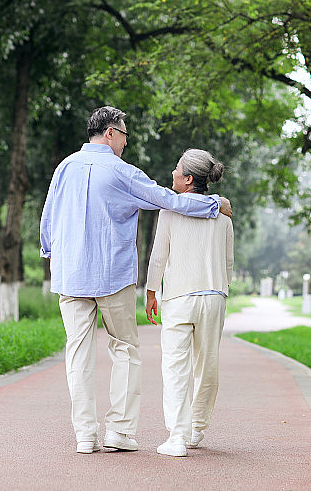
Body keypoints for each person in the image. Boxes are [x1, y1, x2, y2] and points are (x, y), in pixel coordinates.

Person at [39, 106, 232, 455]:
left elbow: (48, 218)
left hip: (69, 276)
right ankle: (119, 431)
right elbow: (169, 200)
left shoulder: (64, 167)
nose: (126, 143)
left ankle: (85, 435)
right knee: (124, 349)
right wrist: (214, 204)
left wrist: (55, 255)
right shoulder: (123, 173)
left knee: (77, 354)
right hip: (113, 277)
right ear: (111, 133)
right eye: (125, 135)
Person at [145, 149, 234, 457]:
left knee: (174, 367)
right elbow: (229, 262)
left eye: (176, 169)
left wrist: (151, 292)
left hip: (178, 298)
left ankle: (177, 437)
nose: (172, 173)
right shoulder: (222, 214)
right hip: (213, 297)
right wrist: (220, 288)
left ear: (187, 179)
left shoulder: (169, 211)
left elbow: (159, 257)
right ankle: (196, 429)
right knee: (206, 365)